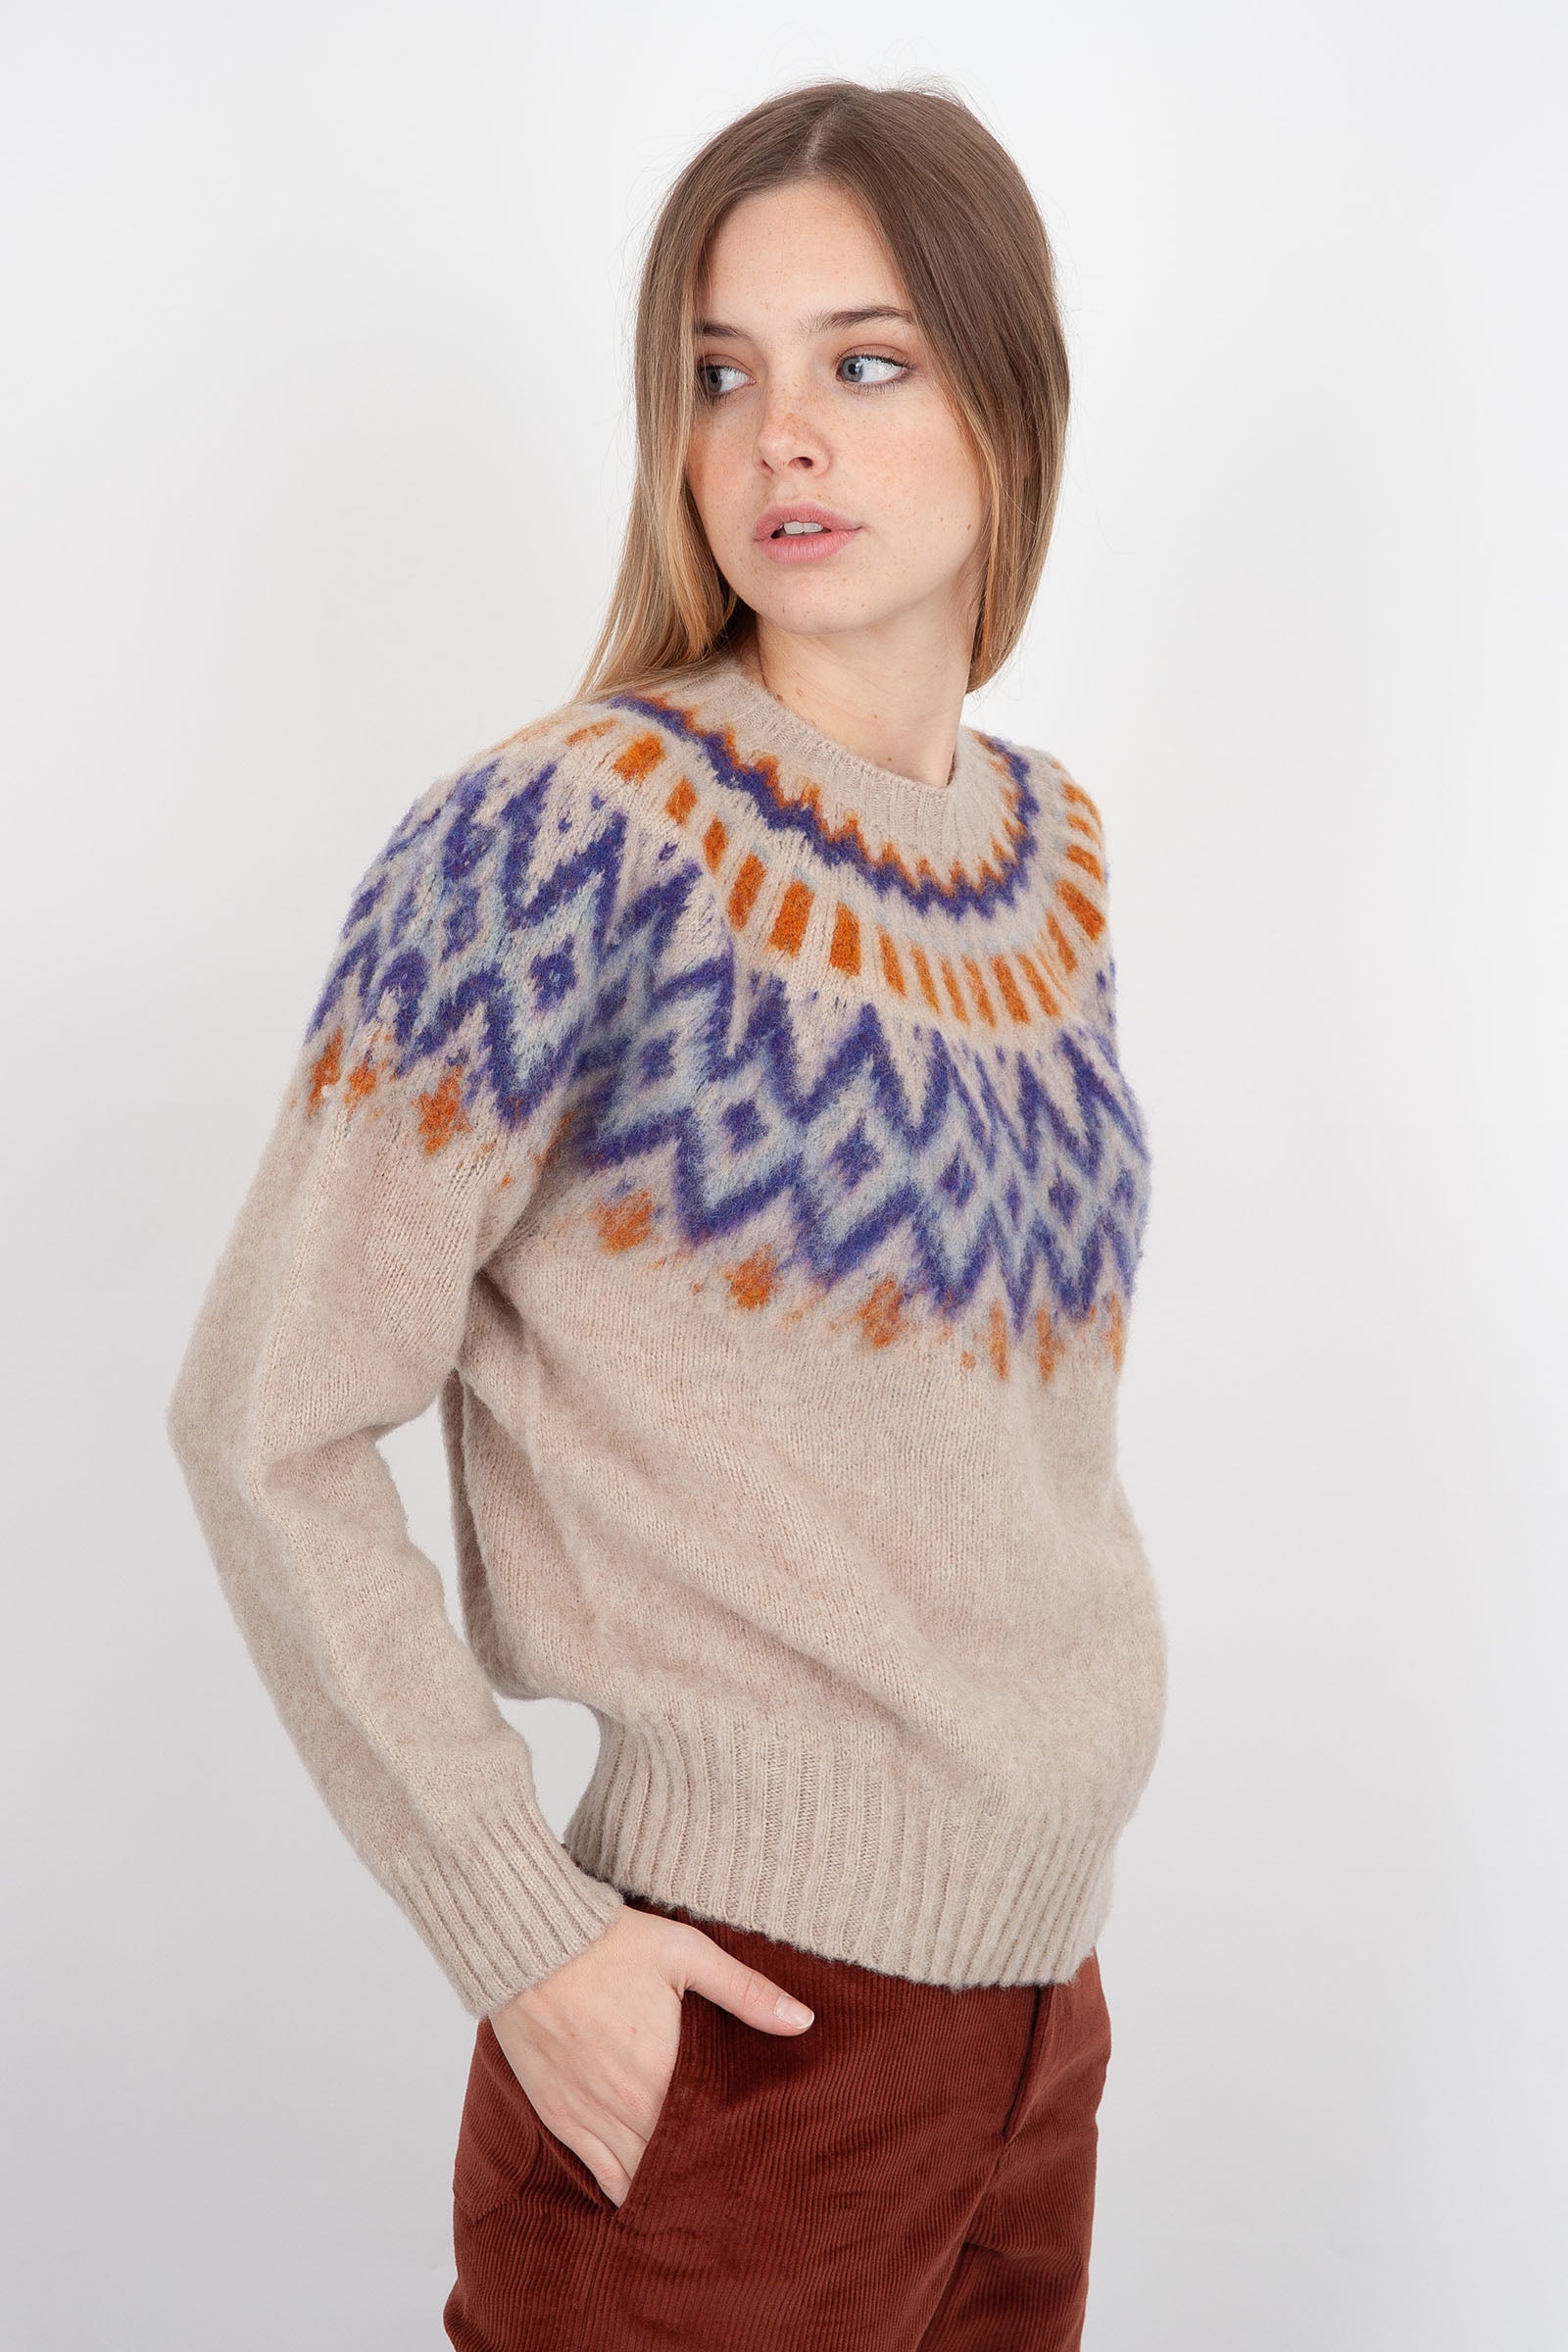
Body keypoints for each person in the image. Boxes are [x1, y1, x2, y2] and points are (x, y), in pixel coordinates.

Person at [167, 74, 1167, 2352]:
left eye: (862, 360)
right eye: (719, 373)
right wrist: (526, 1938)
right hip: (732, 2045)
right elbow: (261, 1419)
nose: (778, 433)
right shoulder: (560, 839)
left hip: (1039, 2023)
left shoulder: (1052, 858)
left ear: (1009, 403)